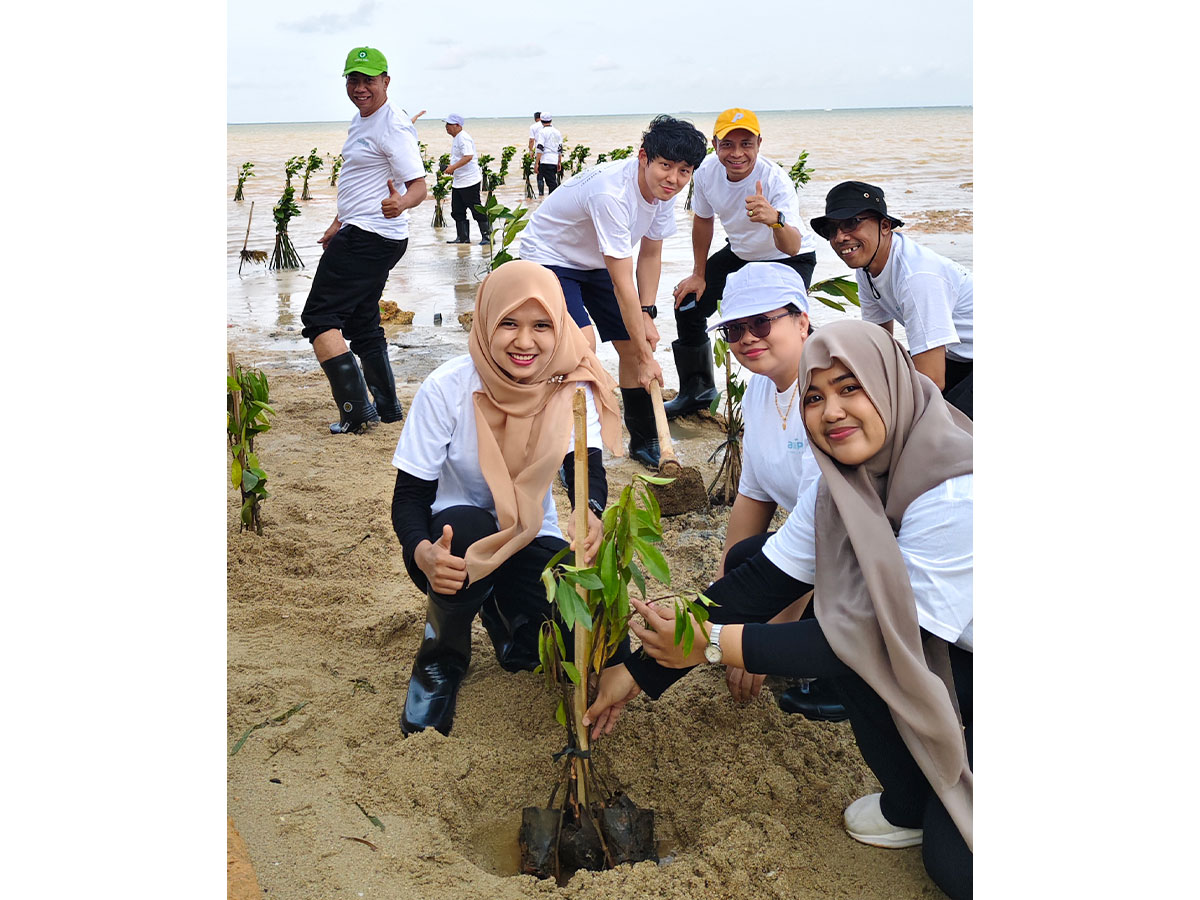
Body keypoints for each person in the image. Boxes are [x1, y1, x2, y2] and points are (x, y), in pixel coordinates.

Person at [583, 319, 973, 899]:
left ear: (891, 384)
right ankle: (911, 804)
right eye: (814, 397)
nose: (832, 412)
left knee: (957, 867)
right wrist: (640, 670)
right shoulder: (844, 480)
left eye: (851, 388)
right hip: (937, 650)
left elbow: (877, 637)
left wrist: (712, 646)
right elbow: (766, 580)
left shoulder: (956, 489)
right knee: (836, 622)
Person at [390, 260, 629, 736]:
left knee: (587, 626)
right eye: (509, 324)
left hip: (527, 535)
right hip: (452, 547)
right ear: (485, 322)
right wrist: (422, 552)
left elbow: (584, 471)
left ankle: (507, 619)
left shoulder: (571, 388)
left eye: (542, 325)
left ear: (559, 324)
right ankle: (441, 660)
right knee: (467, 527)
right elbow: (409, 498)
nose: (525, 341)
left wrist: (591, 513)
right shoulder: (447, 389)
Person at [518, 115, 709, 466]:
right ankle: (566, 449)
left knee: (634, 346)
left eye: (684, 171)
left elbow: (650, 255)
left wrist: (647, 315)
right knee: (579, 346)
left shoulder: (664, 192)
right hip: (550, 256)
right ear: (643, 157)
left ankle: (644, 441)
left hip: (596, 261)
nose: (673, 178)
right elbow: (623, 284)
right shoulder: (612, 194)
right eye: (666, 166)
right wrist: (647, 358)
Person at [703, 263, 845, 723]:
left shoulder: (830, 395)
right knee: (745, 557)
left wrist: (762, 645)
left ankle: (843, 680)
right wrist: (721, 602)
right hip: (817, 545)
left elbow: (819, 533)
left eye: (762, 323)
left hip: (862, 549)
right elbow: (754, 495)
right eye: (734, 329)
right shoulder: (760, 391)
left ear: (802, 321)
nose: (747, 338)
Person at [300, 46, 428, 434]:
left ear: (385, 81)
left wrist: (400, 203)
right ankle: (387, 409)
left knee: (319, 317)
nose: (360, 88)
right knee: (361, 321)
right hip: (364, 231)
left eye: (368, 80)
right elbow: (360, 181)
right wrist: (338, 221)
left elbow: (419, 186)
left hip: (372, 235)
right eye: (353, 80)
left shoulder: (393, 126)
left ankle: (356, 414)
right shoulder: (362, 120)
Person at [664, 108, 820, 419]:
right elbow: (703, 220)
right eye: (728, 145)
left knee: (779, 324)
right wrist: (698, 274)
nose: (737, 154)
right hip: (742, 253)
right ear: (715, 144)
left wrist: (774, 220)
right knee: (688, 304)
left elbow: (792, 246)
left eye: (746, 144)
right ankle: (698, 392)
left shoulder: (775, 180)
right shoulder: (706, 172)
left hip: (788, 257)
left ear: (759, 143)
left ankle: (813, 389)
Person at [811, 181, 973, 418]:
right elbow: (878, 344)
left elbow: (932, 379)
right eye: (831, 230)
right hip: (957, 353)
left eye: (851, 223)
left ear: (885, 226)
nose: (840, 237)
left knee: (949, 424)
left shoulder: (916, 276)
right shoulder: (867, 267)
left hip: (968, 355)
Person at [442, 114, 491, 245]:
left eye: (449, 124)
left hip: (469, 181)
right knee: (457, 210)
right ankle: (463, 238)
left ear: (458, 125)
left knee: (476, 209)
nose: (446, 127)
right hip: (459, 181)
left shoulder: (463, 138)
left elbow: (468, 156)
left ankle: (487, 237)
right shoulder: (457, 138)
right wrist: (451, 168)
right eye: (446, 124)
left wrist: (452, 167)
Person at [534, 113, 564, 194]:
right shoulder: (557, 132)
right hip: (554, 160)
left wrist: (536, 163)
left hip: (545, 160)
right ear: (551, 120)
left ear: (541, 121)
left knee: (551, 184)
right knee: (551, 181)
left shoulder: (542, 132)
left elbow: (540, 148)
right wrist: (559, 162)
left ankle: (553, 199)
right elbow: (560, 148)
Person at [528, 112, 545, 197]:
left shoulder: (533, 127)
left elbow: (531, 140)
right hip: (550, 154)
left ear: (535, 118)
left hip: (539, 152)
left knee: (540, 174)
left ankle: (541, 194)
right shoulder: (548, 126)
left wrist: (530, 151)